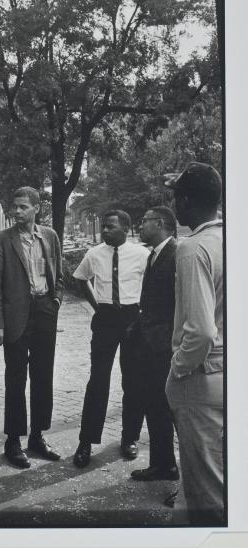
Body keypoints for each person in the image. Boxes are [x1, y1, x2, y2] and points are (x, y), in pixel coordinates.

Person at [0, 186, 63, 469]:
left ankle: (38, 437)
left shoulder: (49, 236)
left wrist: (55, 300)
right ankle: (13, 441)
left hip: (44, 312)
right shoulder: (2, 241)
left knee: (43, 377)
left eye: (22, 207)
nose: (16, 212)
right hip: (16, 318)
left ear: (36, 208)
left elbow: (59, 273)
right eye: (14, 207)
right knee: (16, 380)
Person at [164, 162, 224, 525]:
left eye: (175, 198)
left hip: (201, 377)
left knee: (208, 493)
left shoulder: (193, 248)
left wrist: (178, 369)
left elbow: (200, 331)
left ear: (186, 201)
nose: (173, 206)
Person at [72, 209, 149, 469]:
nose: (104, 231)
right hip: (105, 318)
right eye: (103, 226)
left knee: (134, 380)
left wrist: (142, 311)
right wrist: (97, 306)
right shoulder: (94, 254)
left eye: (110, 227)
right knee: (98, 381)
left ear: (125, 229)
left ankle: (129, 438)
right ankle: (86, 441)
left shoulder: (142, 255)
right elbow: (81, 280)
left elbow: (152, 286)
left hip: (133, 319)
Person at [130, 206, 179, 481]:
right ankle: (164, 465)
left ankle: (184, 476)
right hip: (150, 345)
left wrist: (164, 339)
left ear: (159, 223)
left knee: (170, 409)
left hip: (165, 347)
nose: (140, 225)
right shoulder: (156, 254)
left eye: (144, 221)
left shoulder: (176, 255)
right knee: (155, 405)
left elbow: (178, 305)